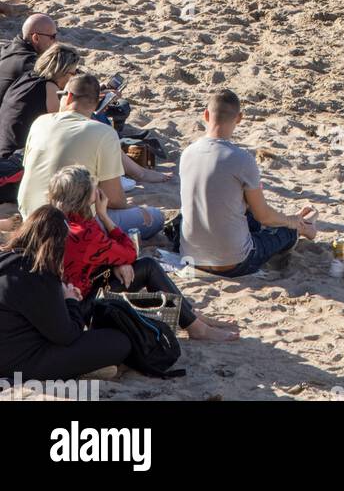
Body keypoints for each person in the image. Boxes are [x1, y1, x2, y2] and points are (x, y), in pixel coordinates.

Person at [49, 166, 238, 342]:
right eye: (93, 186)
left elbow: (96, 257)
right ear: (84, 197)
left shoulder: (56, 221)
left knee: (136, 266)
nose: (98, 189)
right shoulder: (85, 231)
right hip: (79, 309)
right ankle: (196, 327)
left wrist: (117, 263)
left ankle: (192, 317)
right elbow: (130, 253)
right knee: (147, 266)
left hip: (63, 303)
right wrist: (105, 216)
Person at [177, 89, 316, 278]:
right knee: (283, 231)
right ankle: (303, 226)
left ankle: (300, 223)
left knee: (243, 212)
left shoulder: (187, 153)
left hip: (190, 256)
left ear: (206, 115)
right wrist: (291, 221)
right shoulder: (242, 159)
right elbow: (264, 216)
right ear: (239, 118)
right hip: (234, 262)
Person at [18, 71, 163, 240]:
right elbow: (115, 199)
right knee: (155, 217)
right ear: (96, 105)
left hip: (30, 216)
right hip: (68, 227)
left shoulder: (40, 122)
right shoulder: (104, 133)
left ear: (69, 96)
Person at [0, 207, 132, 382]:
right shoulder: (38, 273)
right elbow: (66, 335)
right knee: (119, 342)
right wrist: (70, 301)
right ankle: (82, 371)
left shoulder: (8, 259)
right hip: (21, 363)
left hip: (9, 351)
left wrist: (61, 291)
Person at [0, 44, 80, 158]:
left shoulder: (27, 77)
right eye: (73, 73)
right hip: (15, 161)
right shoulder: (49, 87)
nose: (74, 78)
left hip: (5, 152)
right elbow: (66, 123)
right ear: (61, 71)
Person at [0, 14, 61, 106]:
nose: (56, 41)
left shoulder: (8, 48)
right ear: (36, 38)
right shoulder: (29, 63)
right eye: (52, 36)